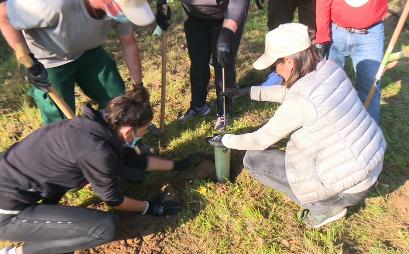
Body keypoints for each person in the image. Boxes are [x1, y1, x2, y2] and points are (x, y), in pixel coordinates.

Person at [209, 23, 386, 228]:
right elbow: (290, 92)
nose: (274, 70)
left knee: (253, 160)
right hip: (370, 164)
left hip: (347, 186)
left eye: (274, 64)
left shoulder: (300, 102)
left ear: (289, 61)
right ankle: (333, 197)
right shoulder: (327, 68)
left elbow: (260, 140)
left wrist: (225, 140)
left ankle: (323, 207)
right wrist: (247, 92)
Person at [0, 87, 193, 254]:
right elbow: (113, 200)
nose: (142, 135)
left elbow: (130, 159)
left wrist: (176, 165)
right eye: (143, 131)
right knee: (105, 228)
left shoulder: (97, 124)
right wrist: (148, 207)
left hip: (15, 181)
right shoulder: (96, 152)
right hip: (6, 212)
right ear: (128, 132)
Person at [0, 0, 155, 125]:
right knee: (60, 119)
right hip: (50, 62)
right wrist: (26, 57)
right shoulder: (51, 4)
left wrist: (138, 86)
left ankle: (120, 143)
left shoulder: (122, 8)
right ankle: (71, 157)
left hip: (89, 52)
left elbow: (128, 43)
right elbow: (3, 14)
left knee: (116, 96)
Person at [175, 0, 250, 131]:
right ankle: (198, 106)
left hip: (226, 14)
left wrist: (227, 32)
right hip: (193, 14)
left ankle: (224, 111)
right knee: (198, 60)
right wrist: (161, 4)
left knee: (223, 62)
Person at [315, 0, 387, 123]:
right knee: (330, 84)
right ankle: (328, 126)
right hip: (336, 31)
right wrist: (322, 35)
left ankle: (369, 136)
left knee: (370, 88)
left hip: (370, 34)